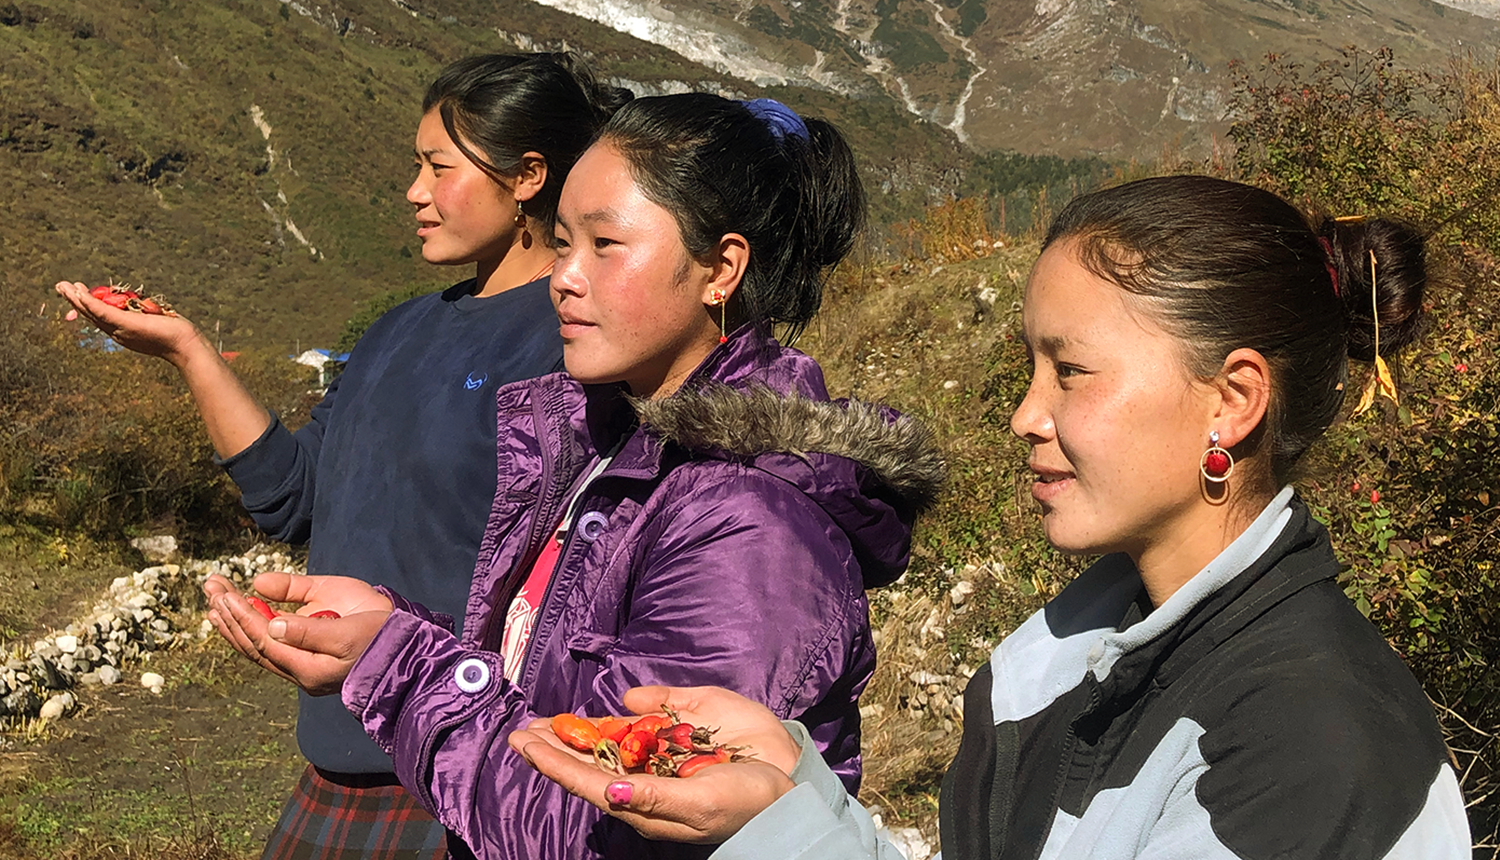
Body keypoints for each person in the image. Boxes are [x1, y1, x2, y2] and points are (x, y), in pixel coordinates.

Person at [508, 175, 1473, 860]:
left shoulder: (1307, 751)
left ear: (1231, 401)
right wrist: (784, 798)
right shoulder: (1080, 653)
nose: (1026, 415)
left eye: (1072, 372)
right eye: (1030, 369)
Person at [202, 93, 945, 859]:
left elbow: (589, 818)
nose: (564, 278)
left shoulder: (752, 529)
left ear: (721, 269)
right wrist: (392, 626)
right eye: (562, 244)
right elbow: (546, 694)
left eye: (605, 245)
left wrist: (394, 666)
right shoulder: (606, 448)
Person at [57, 51, 629, 860]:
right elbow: (293, 499)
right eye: (415, 166)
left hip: (472, 774)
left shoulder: (574, 344)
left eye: (437, 166)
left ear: (528, 174)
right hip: (338, 751)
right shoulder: (396, 331)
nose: (414, 191)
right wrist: (188, 350)